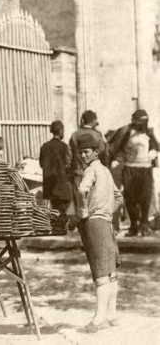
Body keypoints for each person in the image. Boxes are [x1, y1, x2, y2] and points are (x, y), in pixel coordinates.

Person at [75, 132, 123, 332]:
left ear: (96, 152)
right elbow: (118, 197)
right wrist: (108, 211)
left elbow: (81, 190)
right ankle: (111, 315)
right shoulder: (106, 171)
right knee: (111, 272)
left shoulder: (91, 171)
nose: (83, 156)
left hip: (95, 223)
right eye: (81, 153)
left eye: (86, 152)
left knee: (100, 273)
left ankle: (99, 318)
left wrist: (85, 212)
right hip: (107, 222)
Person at [108, 109, 159, 237]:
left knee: (145, 197)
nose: (143, 124)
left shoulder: (148, 132)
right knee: (130, 198)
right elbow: (114, 147)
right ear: (134, 121)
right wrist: (118, 158)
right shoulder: (126, 131)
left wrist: (152, 153)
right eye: (140, 121)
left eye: (145, 121)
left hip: (145, 168)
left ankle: (145, 225)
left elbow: (156, 146)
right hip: (130, 168)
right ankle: (133, 226)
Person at [69, 110, 108, 222]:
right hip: (94, 170)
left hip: (78, 171)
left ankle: (82, 221)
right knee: (94, 195)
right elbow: (104, 152)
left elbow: (69, 155)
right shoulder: (98, 135)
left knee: (80, 196)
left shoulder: (74, 135)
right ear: (93, 121)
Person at [39, 120, 72, 218]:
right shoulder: (64, 147)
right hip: (62, 186)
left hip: (50, 187)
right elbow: (68, 165)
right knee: (64, 213)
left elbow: (41, 164)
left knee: (55, 212)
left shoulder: (44, 147)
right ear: (61, 131)